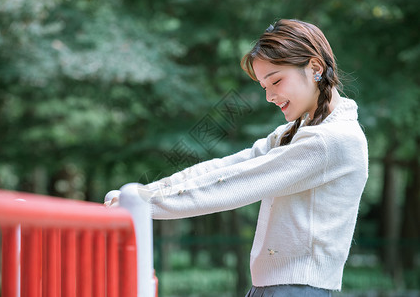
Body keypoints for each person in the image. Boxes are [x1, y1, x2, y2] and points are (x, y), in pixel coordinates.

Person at [107, 19, 368, 296]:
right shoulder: (298, 133)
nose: (269, 95)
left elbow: (237, 183)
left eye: (276, 80)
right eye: (263, 85)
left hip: (297, 289)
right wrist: (143, 193)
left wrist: (144, 204)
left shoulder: (330, 140)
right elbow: (228, 167)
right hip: (279, 287)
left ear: (314, 68)